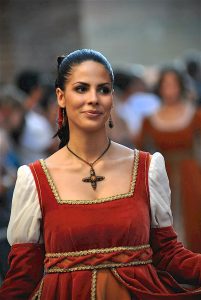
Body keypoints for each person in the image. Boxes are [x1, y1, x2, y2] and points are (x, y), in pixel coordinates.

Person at [0, 49, 201, 300]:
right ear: (61, 97)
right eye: (81, 89)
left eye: (103, 89)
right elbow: (23, 275)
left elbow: (168, 254)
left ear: (112, 98)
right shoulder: (34, 178)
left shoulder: (147, 168)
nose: (93, 98)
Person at [136, 66, 201, 253]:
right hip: (163, 175)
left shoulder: (194, 115)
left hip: (191, 174)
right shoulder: (150, 119)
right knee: (164, 220)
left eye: (173, 84)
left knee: (193, 217)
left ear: (180, 86)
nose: (170, 89)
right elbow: (141, 148)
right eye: (166, 84)